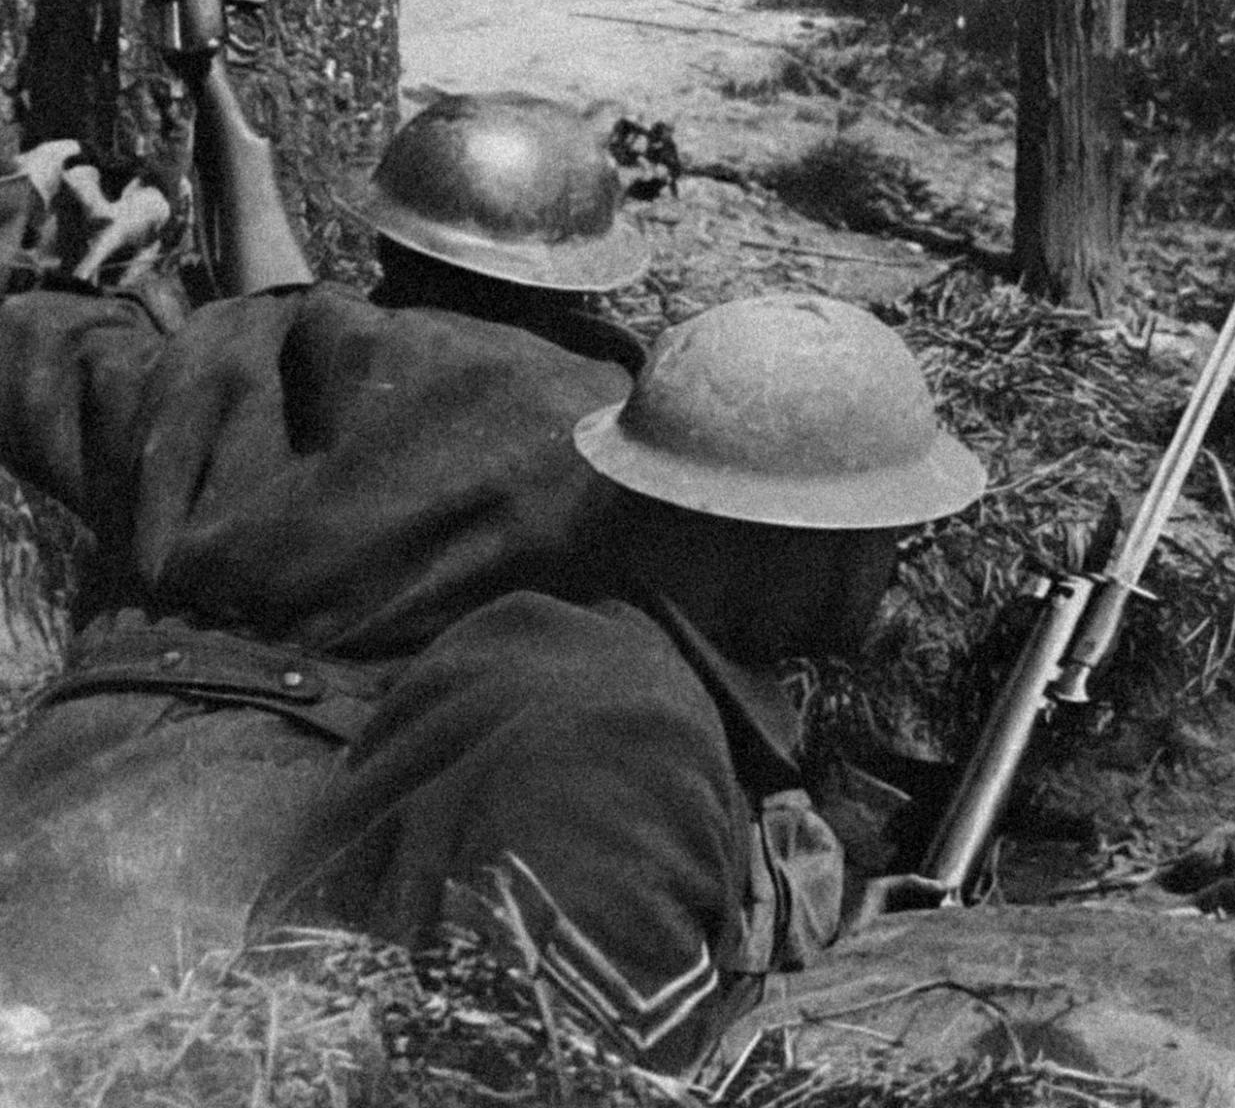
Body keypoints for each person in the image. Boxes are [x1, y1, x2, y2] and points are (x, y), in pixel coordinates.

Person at [0, 91, 658, 1009]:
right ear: (587, 276)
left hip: (51, 803)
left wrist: (65, 267)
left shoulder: (237, 346)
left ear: (387, 239)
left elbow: (45, 358)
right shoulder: (616, 434)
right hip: (297, 869)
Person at [251, 291, 986, 1070]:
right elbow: (593, 1077)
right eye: (884, 536)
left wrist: (841, 964)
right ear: (796, 546)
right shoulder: (622, 744)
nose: (894, 567)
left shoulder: (569, 648)